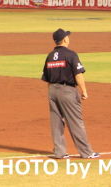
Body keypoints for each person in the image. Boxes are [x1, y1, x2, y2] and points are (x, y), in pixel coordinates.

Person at [41, 28, 98, 159]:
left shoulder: (50, 56)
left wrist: (51, 94)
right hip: (67, 91)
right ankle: (86, 152)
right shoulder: (71, 54)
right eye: (67, 36)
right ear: (65, 39)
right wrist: (84, 90)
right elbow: (78, 74)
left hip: (52, 90)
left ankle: (59, 152)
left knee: (56, 123)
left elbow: (47, 78)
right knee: (75, 121)